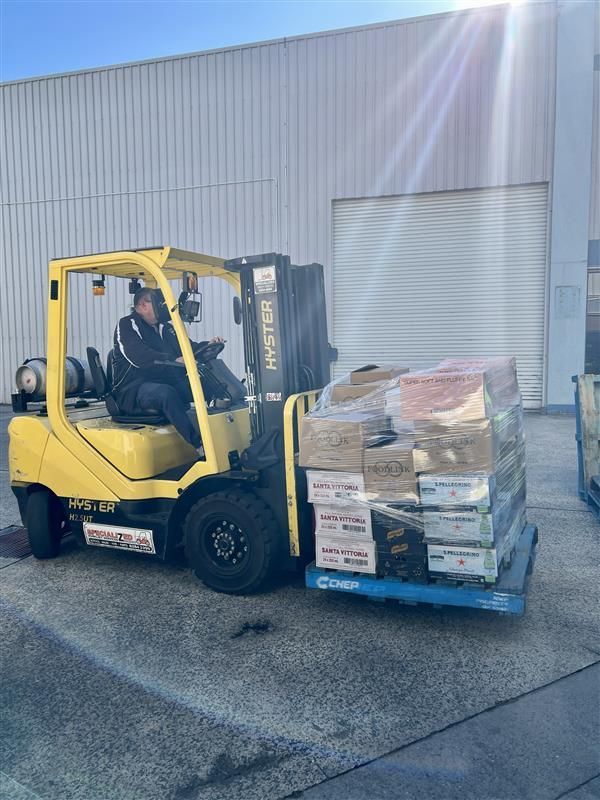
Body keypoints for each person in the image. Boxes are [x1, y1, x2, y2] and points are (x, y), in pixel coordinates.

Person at [111, 287, 224, 451]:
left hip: (164, 381)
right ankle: (200, 446)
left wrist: (208, 345)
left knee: (209, 385)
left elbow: (188, 348)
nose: (162, 306)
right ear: (142, 305)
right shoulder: (128, 324)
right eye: (157, 303)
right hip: (133, 389)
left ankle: (220, 435)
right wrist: (172, 359)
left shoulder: (167, 327)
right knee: (166, 394)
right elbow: (139, 356)